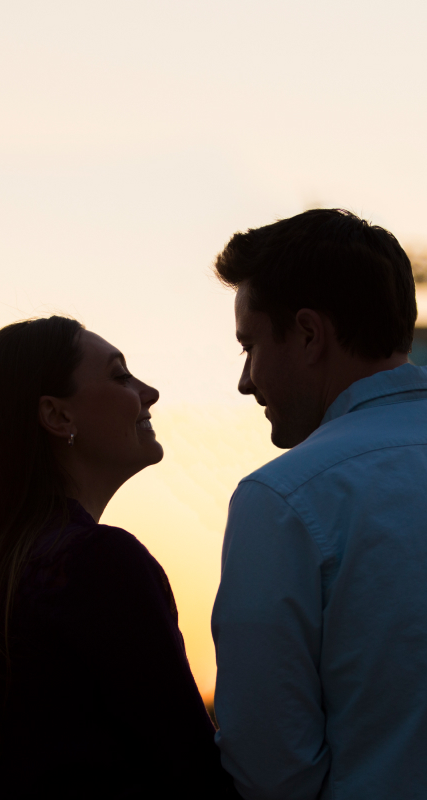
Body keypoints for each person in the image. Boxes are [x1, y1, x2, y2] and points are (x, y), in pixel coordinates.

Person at [0, 316, 237, 799]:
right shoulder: (96, 566)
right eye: (120, 375)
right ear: (58, 416)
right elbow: (192, 769)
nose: (149, 393)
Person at [211, 209, 427, 800]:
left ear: (308, 334)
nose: (245, 381)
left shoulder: (284, 498)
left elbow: (269, 768)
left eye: (248, 347)